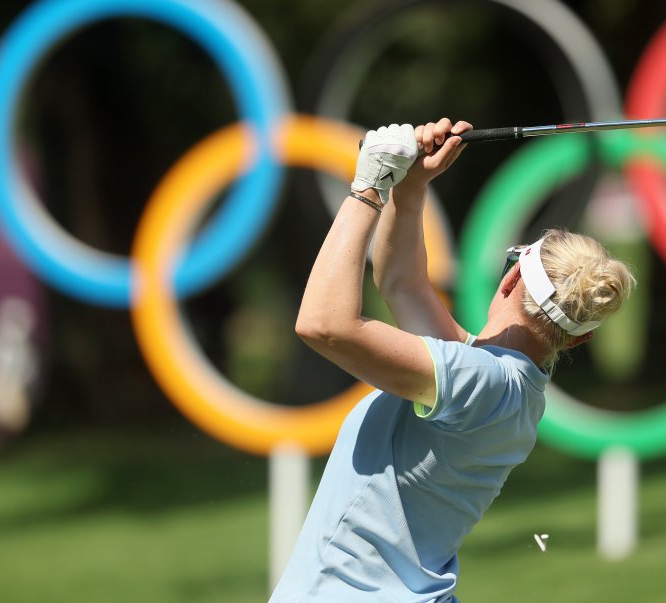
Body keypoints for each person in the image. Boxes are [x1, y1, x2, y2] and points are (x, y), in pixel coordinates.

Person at [269, 118, 635, 602]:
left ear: (508, 281)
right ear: (577, 341)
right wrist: (412, 186)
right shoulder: (505, 384)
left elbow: (324, 325)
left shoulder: (477, 381)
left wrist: (367, 189)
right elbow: (401, 283)